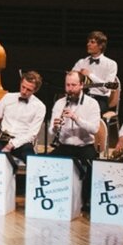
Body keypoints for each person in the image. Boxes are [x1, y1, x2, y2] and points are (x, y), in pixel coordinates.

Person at [49, 71, 103, 211]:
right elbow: (50, 132)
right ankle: (53, 199)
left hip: (84, 146)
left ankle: (87, 203)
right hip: (64, 146)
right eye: (67, 85)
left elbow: (95, 129)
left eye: (73, 85)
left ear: (81, 85)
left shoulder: (92, 104)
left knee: (92, 168)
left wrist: (76, 118)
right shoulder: (59, 103)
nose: (70, 89)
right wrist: (55, 127)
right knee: (46, 163)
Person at [0, 70, 47, 162]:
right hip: (2, 138)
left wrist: (11, 145)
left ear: (35, 90)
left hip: (22, 142)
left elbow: (32, 134)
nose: (24, 91)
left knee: (33, 163)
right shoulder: (8, 97)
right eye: (23, 87)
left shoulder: (40, 107)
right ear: (21, 83)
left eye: (29, 89)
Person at [72, 31, 119, 114]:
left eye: (92, 42)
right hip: (82, 97)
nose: (88, 44)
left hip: (100, 99)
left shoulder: (111, 64)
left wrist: (90, 75)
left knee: (88, 113)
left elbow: (106, 88)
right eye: (88, 42)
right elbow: (71, 79)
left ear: (101, 46)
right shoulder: (82, 62)